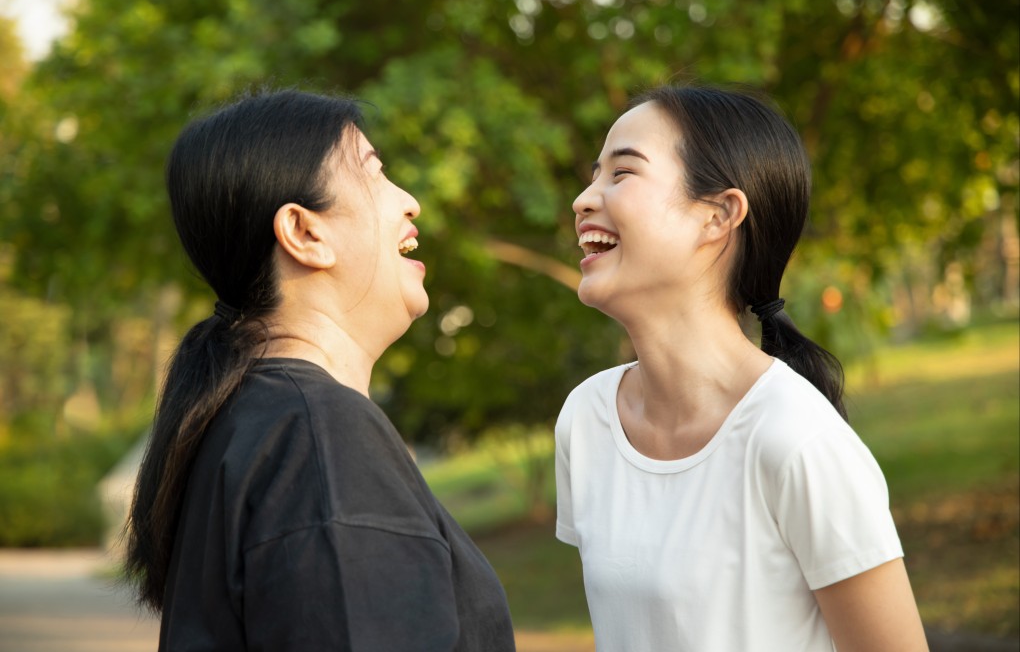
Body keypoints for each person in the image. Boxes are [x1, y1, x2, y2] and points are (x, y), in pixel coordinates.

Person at [124, 89, 516, 651]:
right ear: (305, 234)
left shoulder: (253, 421)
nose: (410, 202)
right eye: (374, 174)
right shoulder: (319, 433)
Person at [554, 84, 929, 651]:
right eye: (594, 173)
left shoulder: (796, 439)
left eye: (621, 173)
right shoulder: (586, 420)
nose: (584, 199)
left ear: (718, 216)